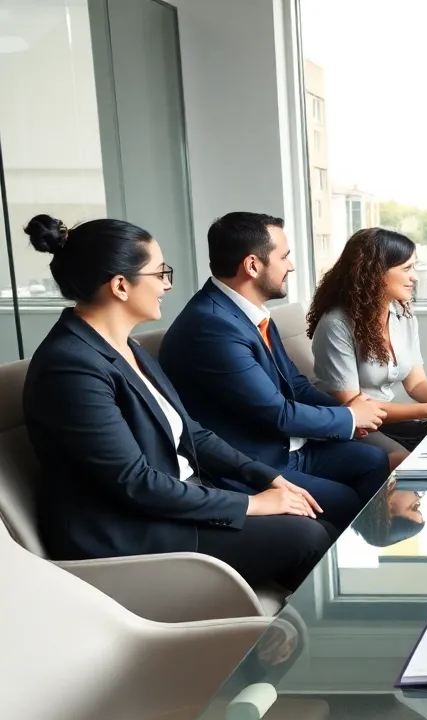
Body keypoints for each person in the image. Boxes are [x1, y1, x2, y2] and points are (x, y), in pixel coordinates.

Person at [21, 215, 332, 591]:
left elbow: (191, 433)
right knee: (311, 538)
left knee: (321, 525)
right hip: (129, 533)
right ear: (121, 285)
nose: (167, 284)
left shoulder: (126, 346)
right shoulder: (70, 367)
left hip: (172, 505)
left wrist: (266, 477)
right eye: (159, 273)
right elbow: (135, 483)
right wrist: (254, 504)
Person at [159, 212, 391, 533]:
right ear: (253, 265)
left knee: (374, 461)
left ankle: (363, 545)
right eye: (284, 257)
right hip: (251, 462)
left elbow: (294, 384)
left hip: (287, 446)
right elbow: (276, 413)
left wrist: (348, 413)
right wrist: (350, 419)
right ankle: (325, 574)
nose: (290, 267)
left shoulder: (249, 313)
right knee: (343, 500)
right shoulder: (211, 326)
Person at [307, 227, 427, 461]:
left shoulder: (402, 313)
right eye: (406, 268)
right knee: (404, 463)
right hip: (356, 427)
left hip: (395, 420)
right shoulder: (337, 325)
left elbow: (416, 383)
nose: (414, 277)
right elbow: (351, 406)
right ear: (374, 272)